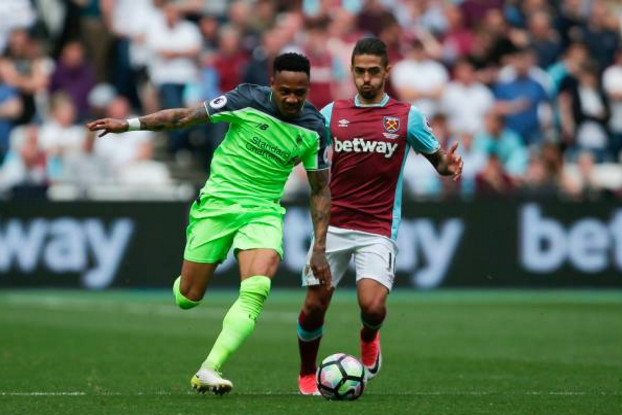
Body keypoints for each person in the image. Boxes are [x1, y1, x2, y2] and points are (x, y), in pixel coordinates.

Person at [87, 53, 332, 395]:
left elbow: (320, 189)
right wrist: (128, 125)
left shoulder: (315, 127)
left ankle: (209, 368)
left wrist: (319, 247)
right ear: (272, 84)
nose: (292, 99)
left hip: (263, 211)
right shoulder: (247, 98)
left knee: (257, 289)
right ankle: (188, 280)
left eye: (300, 93)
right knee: (188, 297)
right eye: (285, 91)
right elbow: (185, 117)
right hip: (217, 204)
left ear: (308, 89)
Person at [296, 38, 463, 395]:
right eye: (360, 72)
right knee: (313, 306)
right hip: (333, 224)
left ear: (387, 71)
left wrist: (448, 166)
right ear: (351, 72)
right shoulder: (332, 113)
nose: (367, 79)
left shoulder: (407, 116)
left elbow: (438, 162)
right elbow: (305, 151)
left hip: (377, 226)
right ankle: (308, 372)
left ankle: (369, 336)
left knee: (372, 306)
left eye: (374, 71)